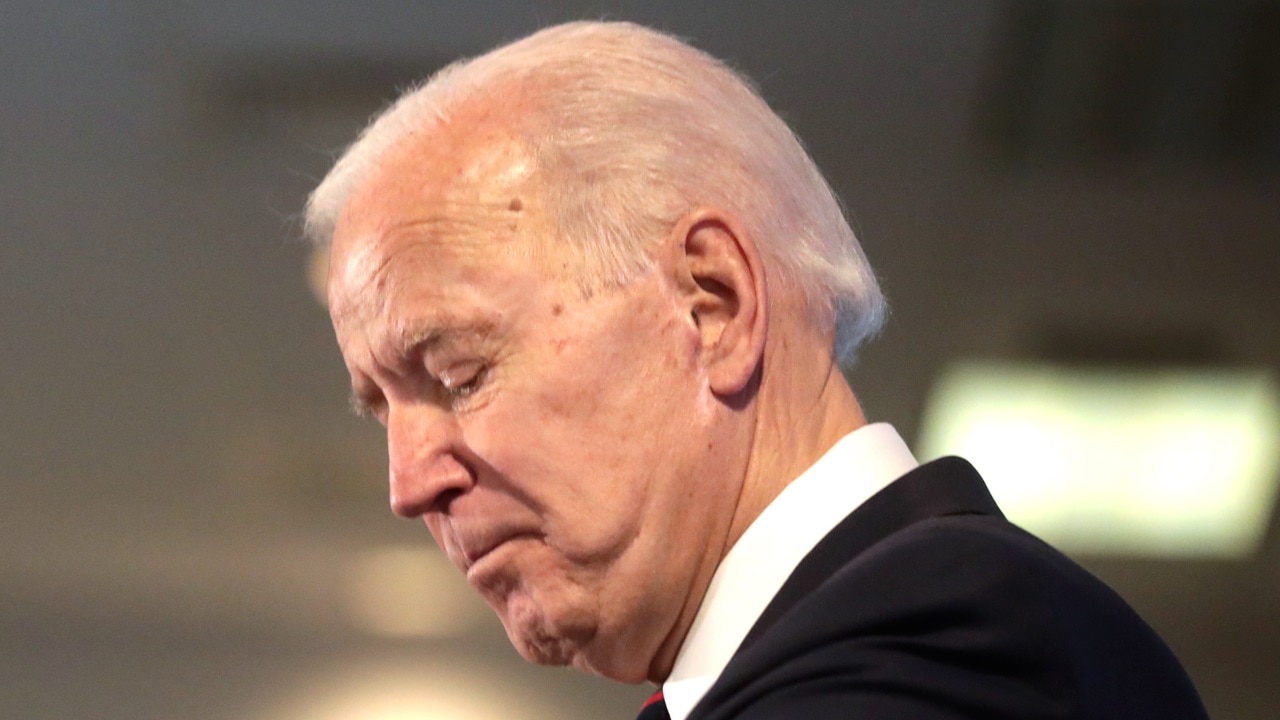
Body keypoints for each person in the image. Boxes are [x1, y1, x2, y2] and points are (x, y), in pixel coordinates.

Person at [305, 20, 1208, 720]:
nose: (408, 484)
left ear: (714, 303)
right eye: (383, 412)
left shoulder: (945, 652)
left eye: (461, 374)